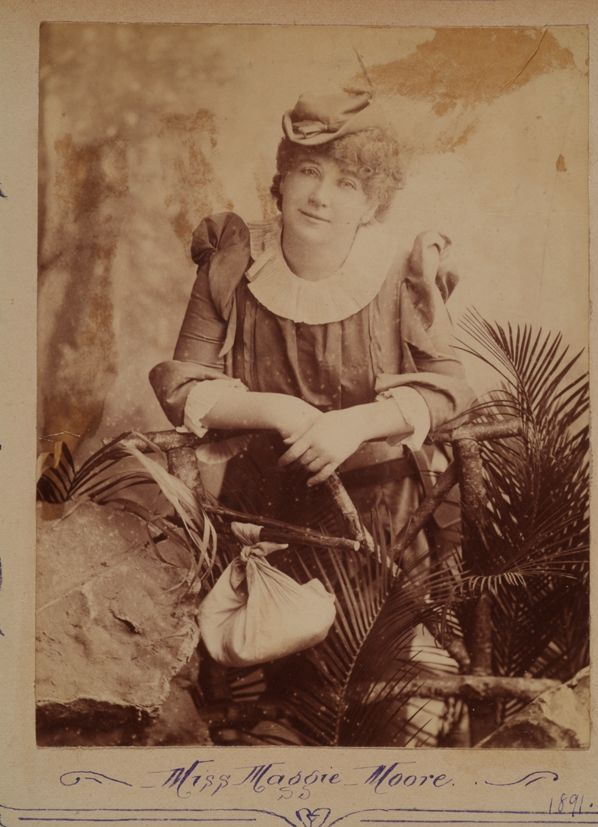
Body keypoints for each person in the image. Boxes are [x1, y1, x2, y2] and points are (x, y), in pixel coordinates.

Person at [150, 87, 474, 557]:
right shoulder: (236, 259)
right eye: (309, 172)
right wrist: (283, 412)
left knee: (367, 630)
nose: (321, 197)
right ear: (282, 180)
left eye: (347, 184)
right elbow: (181, 386)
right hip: (258, 510)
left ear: (371, 205)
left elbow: (454, 392)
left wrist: (355, 425)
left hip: (381, 516)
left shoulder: (401, 270)